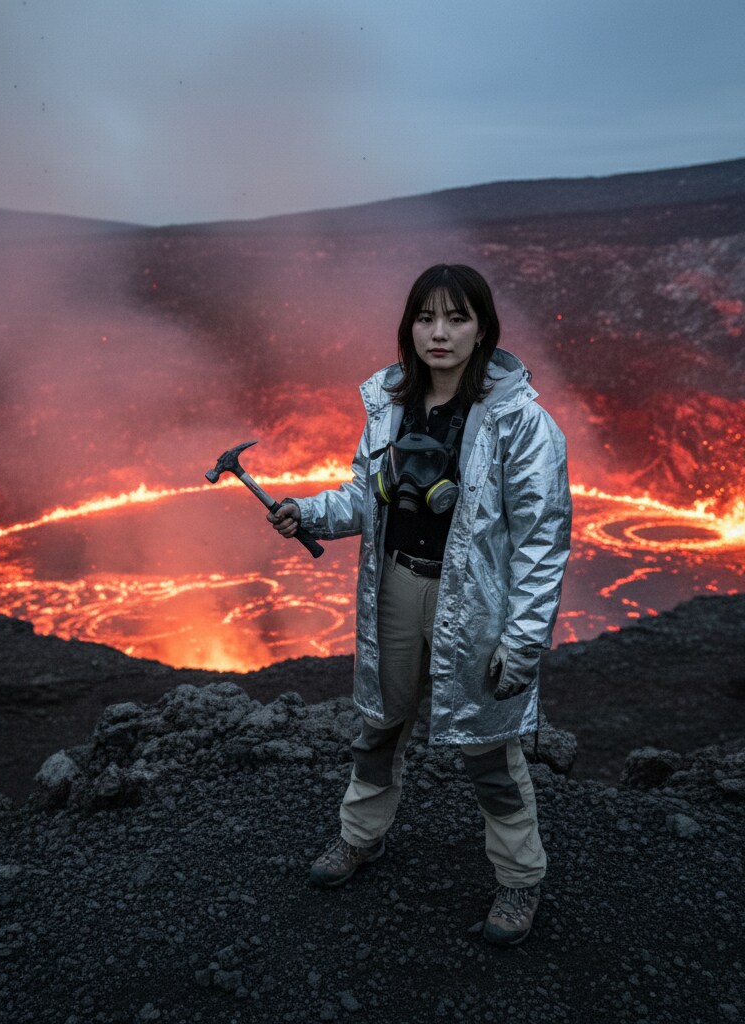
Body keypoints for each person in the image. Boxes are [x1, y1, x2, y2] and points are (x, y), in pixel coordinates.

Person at [268, 263, 572, 946]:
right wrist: (308, 513)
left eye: (457, 317)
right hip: (398, 586)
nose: (440, 332)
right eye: (426, 317)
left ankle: (520, 881)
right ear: (409, 325)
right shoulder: (390, 404)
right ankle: (359, 837)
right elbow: (362, 496)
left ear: (483, 328)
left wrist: (522, 641)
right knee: (378, 724)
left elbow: (542, 540)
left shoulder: (521, 423)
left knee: (489, 747)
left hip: (476, 605)